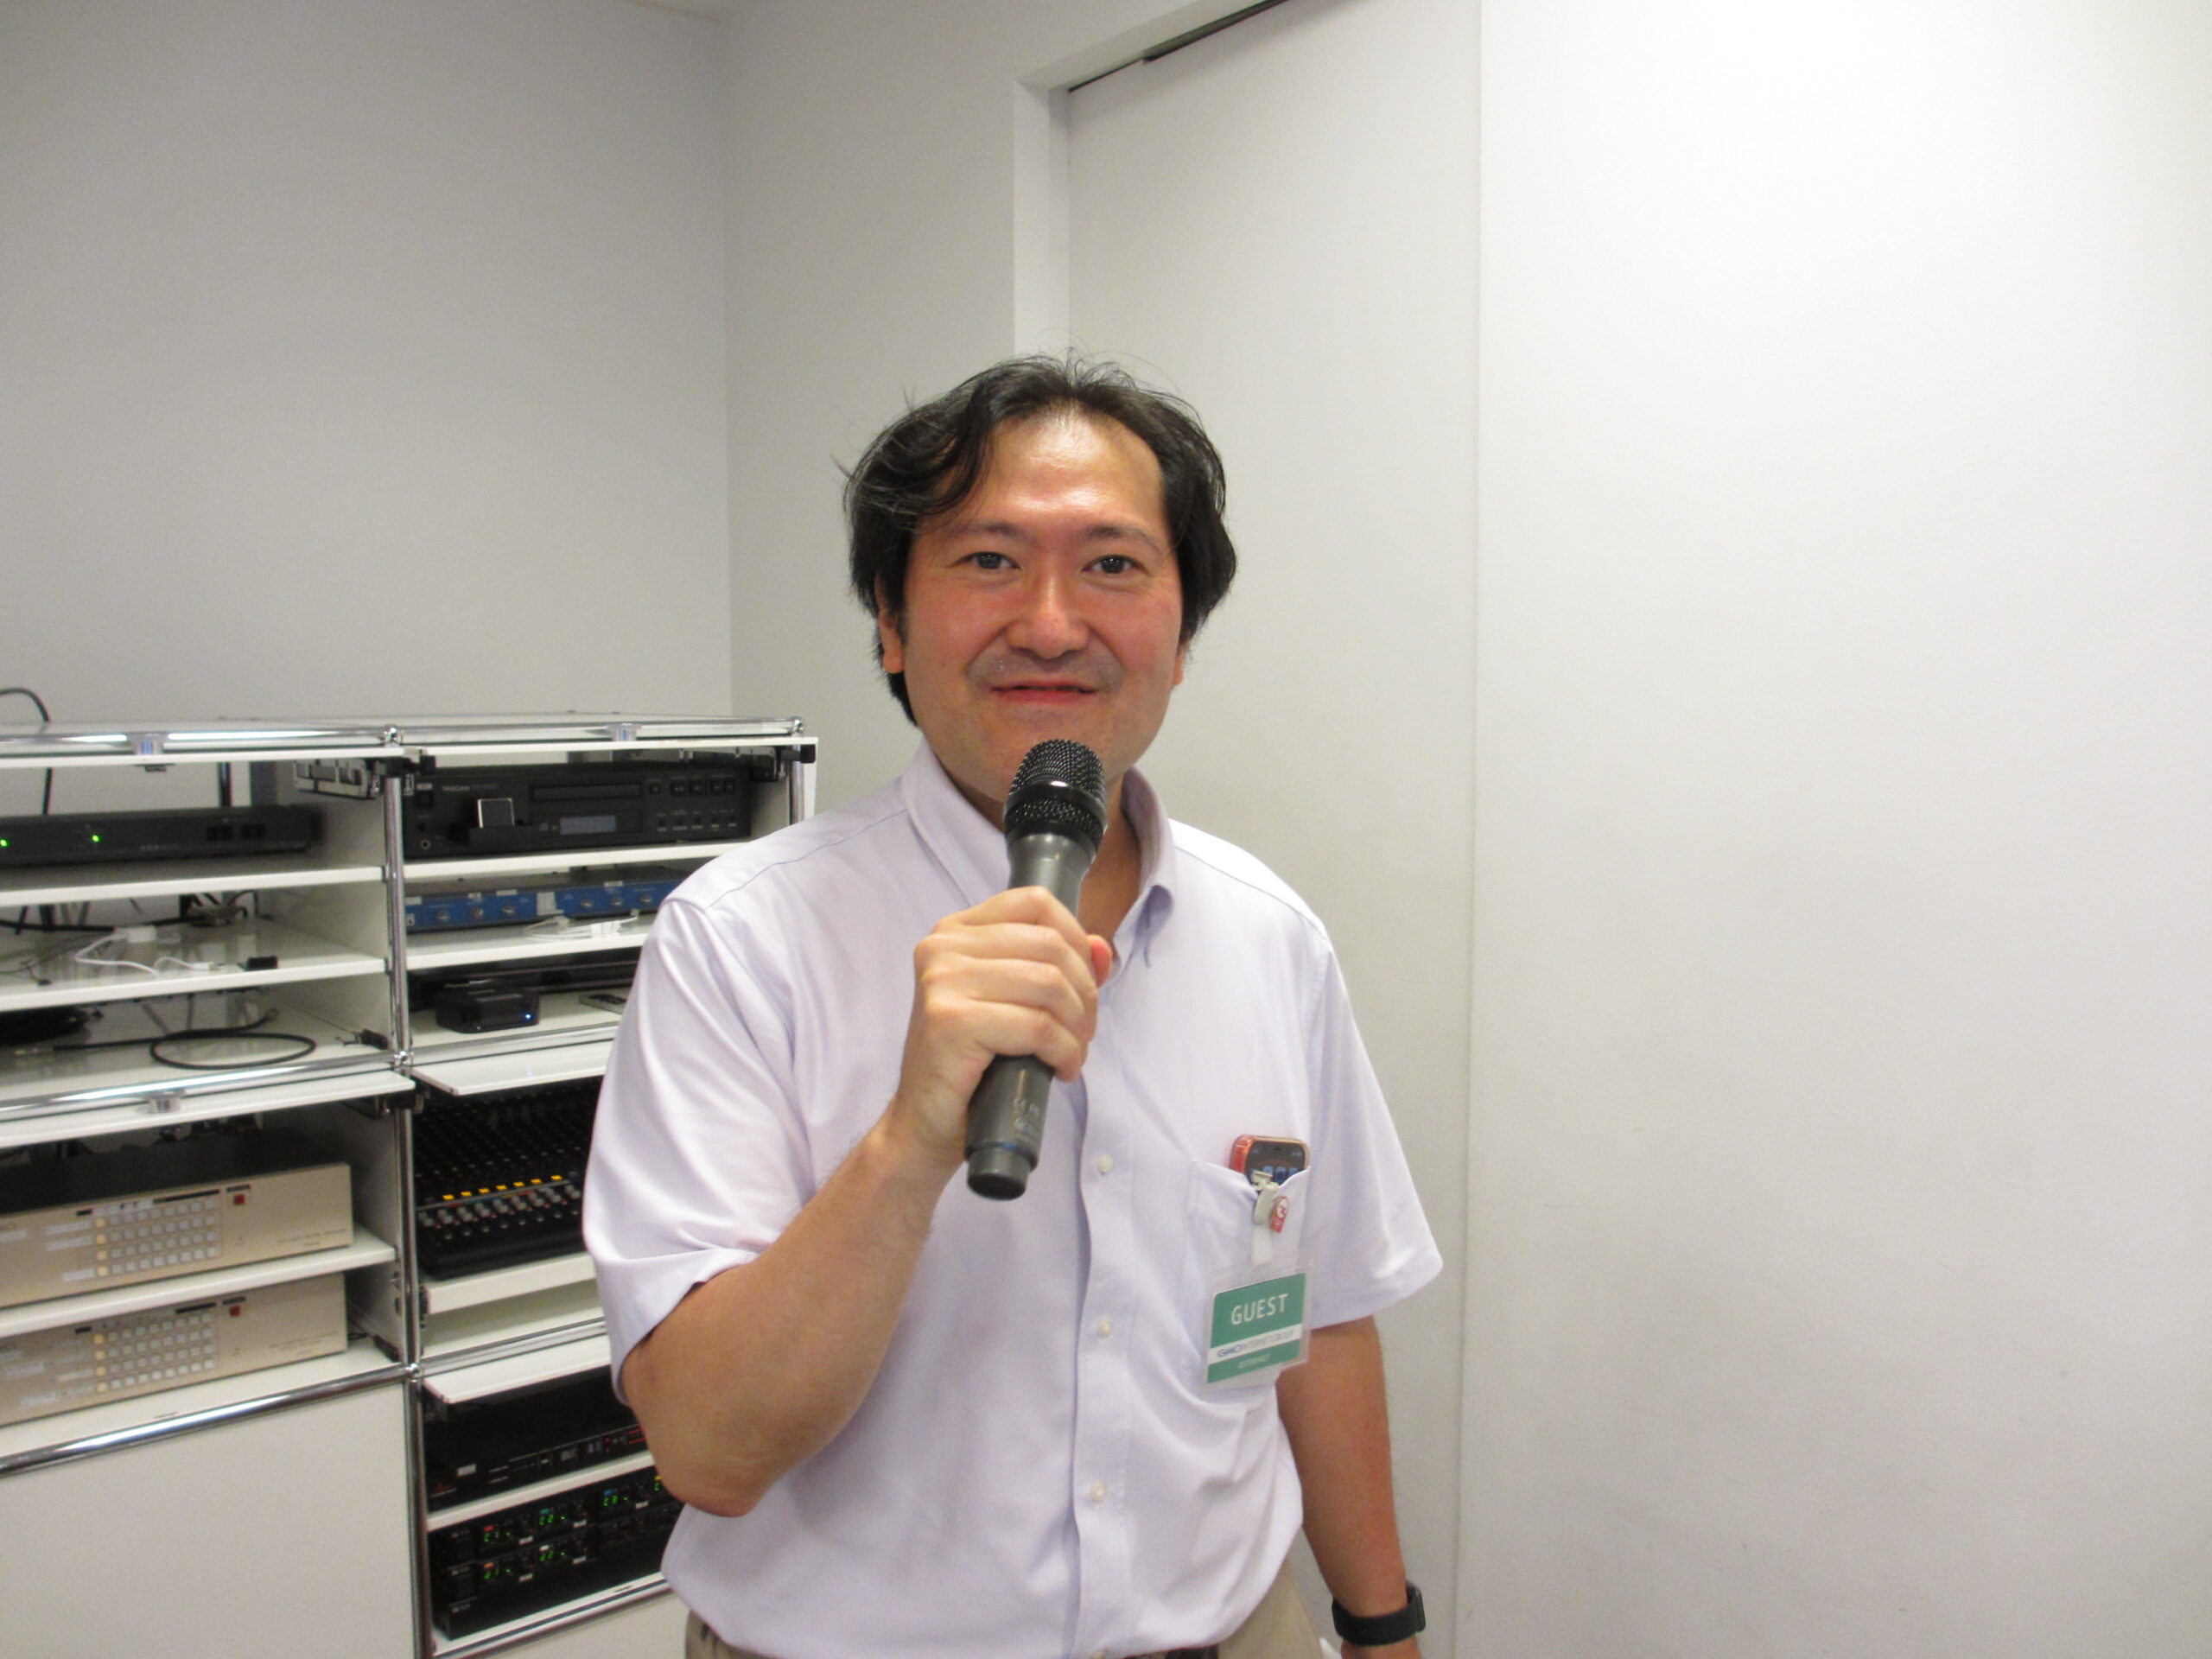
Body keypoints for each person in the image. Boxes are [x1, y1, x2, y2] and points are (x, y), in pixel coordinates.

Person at [585, 357, 1440, 1659]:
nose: (1050, 624)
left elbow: (1319, 1315)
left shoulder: (1272, 936)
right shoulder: (741, 940)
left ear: (1183, 635)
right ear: (890, 622)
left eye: (1113, 565)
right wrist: (907, 1143)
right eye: (988, 561)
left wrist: (1383, 1628)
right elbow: (706, 1447)